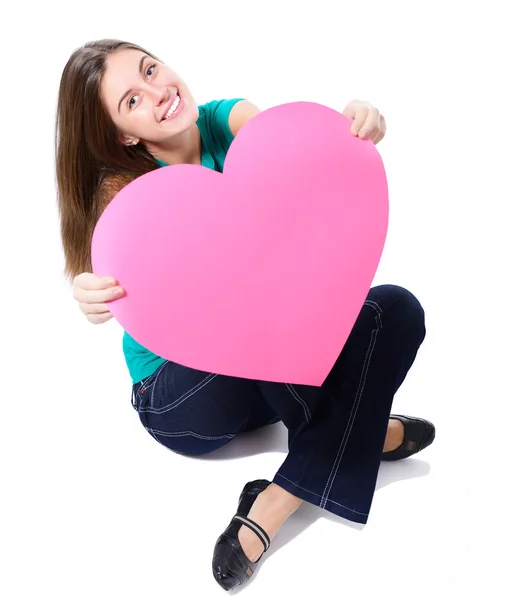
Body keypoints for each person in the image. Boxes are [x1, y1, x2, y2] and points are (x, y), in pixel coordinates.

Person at [56, 39, 436, 591]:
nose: (159, 92)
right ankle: (356, 435)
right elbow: (114, 278)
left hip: (268, 361)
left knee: (395, 310)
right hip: (183, 393)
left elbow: (297, 169)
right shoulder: (129, 193)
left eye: (150, 69)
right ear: (125, 135)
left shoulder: (229, 121)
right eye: (133, 101)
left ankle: (278, 496)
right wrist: (88, 293)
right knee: (257, 310)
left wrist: (350, 130)